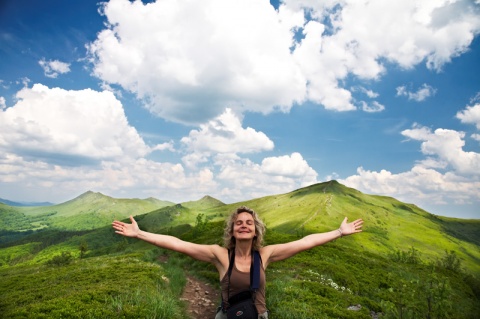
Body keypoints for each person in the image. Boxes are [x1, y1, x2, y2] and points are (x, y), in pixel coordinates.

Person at [112, 206, 363, 319]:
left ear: (256, 231)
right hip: (228, 316)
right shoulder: (220, 256)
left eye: (249, 223)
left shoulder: (265, 255)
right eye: (239, 223)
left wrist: (338, 233)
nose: (244, 225)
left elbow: (305, 241)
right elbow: (177, 243)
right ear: (232, 231)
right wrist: (140, 234)